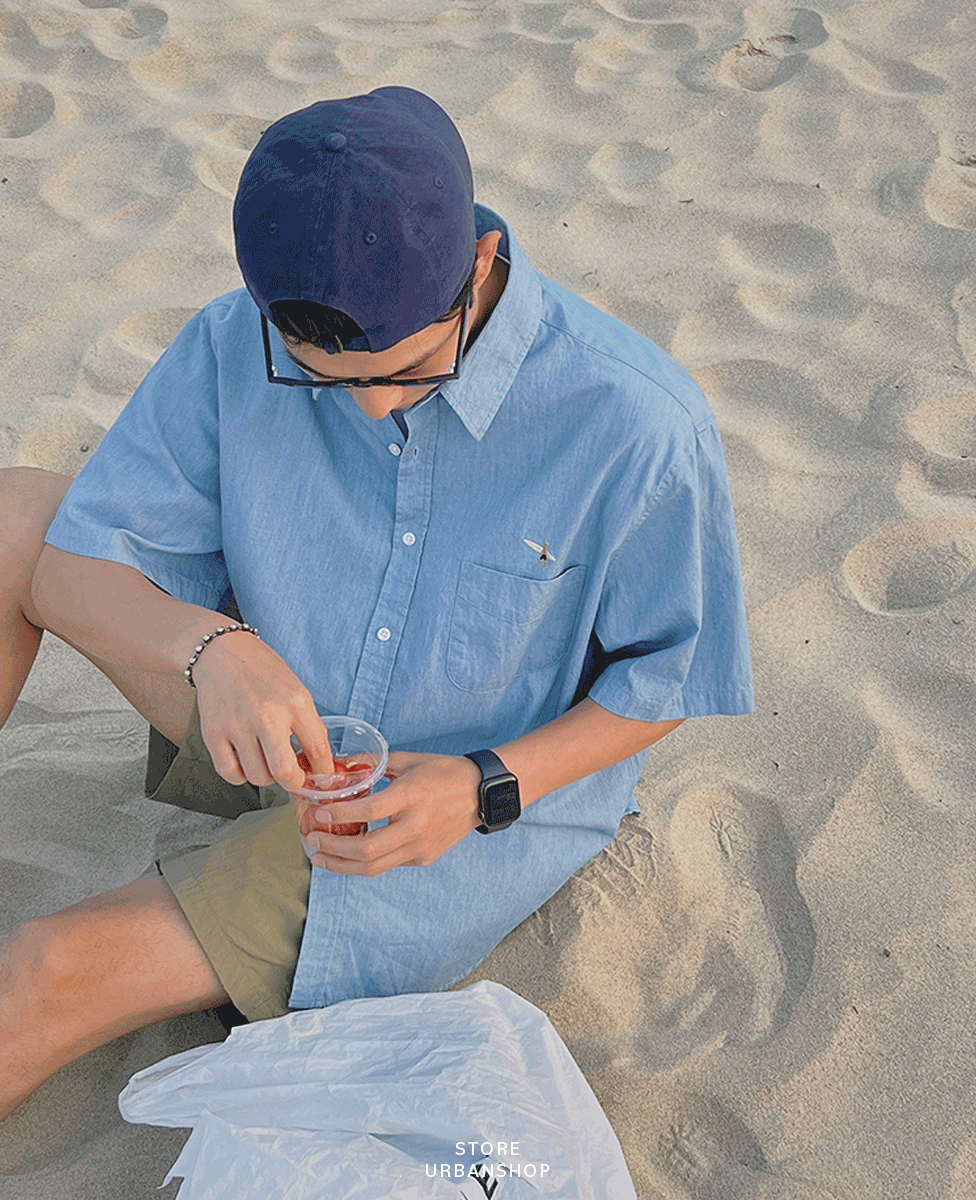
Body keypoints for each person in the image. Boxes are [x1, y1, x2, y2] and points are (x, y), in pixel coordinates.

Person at [0, 86, 753, 1121]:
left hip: (437, 817)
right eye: (320, 378)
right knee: (10, 518)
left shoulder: (636, 421)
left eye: (407, 369)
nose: (371, 404)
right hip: (255, 722)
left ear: (481, 263)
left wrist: (482, 785)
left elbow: (669, 677)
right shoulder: (234, 341)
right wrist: (214, 648)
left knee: (40, 971)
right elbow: (62, 573)